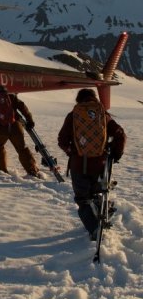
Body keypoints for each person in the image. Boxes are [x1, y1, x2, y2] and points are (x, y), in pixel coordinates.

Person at [58, 88, 126, 240]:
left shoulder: (73, 115)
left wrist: (72, 152)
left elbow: (62, 140)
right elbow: (120, 134)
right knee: (97, 192)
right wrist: (115, 154)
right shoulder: (103, 115)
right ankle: (102, 212)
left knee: (83, 200)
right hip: (100, 165)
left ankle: (95, 229)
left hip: (78, 165)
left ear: (78, 100)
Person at [0, 83, 41, 177]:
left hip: (2, 129)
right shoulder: (10, 96)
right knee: (22, 148)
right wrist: (30, 120)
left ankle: (2, 170)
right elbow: (23, 108)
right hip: (16, 126)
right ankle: (32, 170)